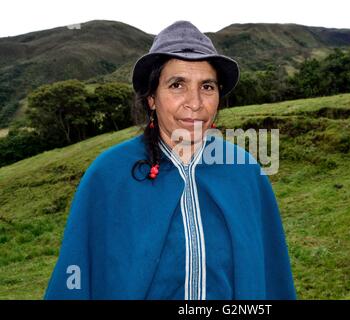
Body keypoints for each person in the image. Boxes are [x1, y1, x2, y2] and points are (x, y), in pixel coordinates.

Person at [44, 21, 296, 300]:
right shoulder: (108, 175)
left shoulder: (245, 171)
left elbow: (272, 274)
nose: (195, 102)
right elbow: (75, 275)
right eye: (177, 85)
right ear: (152, 98)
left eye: (207, 86)